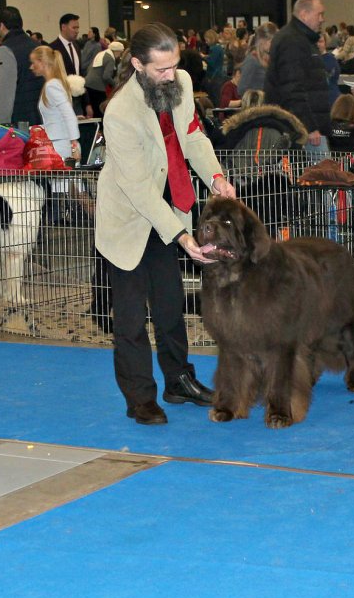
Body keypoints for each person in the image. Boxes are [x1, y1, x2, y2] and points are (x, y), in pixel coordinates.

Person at [95, 22, 236, 426]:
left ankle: (179, 381)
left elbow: (192, 136)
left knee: (171, 307)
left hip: (169, 209)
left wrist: (216, 177)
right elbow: (138, 187)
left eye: (174, 65)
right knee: (130, 319)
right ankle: (140, 398)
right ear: (138, 64)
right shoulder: (119, 113)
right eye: (161, 69)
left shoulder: (182, 82)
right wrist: (182, 235)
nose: (171, 75)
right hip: (129, 220)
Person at [264, 0, 331, 151]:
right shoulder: (292, 41)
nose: (322, 19)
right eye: (319, 14)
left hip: (303, 126)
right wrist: (309, 126)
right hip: (302, 130)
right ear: (304, 14)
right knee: (321, 174)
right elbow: (292, 88)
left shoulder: (303, 40)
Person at [29, 46, 80, 162]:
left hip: (59, 146)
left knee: (62, 180)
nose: (31, 67)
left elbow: (68, 115)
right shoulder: (56, 83)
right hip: (60, 143)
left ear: (42, 62)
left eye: (33, 63)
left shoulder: (52, 86)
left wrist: (74, 145)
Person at [0, 5, 42, 126]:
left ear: (1, 26)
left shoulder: (6, 49)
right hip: (41, 116)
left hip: (20, 119)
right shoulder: (36, 45)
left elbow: (5, 89)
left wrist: (4, 122)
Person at [85, 40, 124, 114]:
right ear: (117, 51)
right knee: (101, 111)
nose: (120, 55)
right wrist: (115, 84)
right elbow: (106, 76)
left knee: (94, 110)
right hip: (98, 87)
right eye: (120, 53)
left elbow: (89, 68)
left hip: (88, 84)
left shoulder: (101, 54)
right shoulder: (110, 58)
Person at [238, 22, 277, 96]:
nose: (274, 44)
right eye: (271, 41)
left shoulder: (269, 59)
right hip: (258, 105)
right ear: (262, 41)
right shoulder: (252, 61)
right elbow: (241, 89)